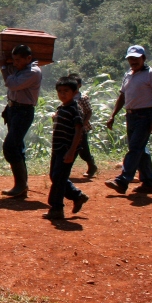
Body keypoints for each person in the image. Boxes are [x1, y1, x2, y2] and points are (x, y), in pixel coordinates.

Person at [105, 45, 152, 195]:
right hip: (131, 116)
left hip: (145, 116)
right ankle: (149, 183)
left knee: (135, 148)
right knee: (141, 150)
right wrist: (113, 115)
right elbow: (122, 96)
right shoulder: (128, 74)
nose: (133, 61)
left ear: (143, 58)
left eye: (136, 58)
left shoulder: (150, 74)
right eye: (130, 58)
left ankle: (123, 180)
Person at [0, 44, 43, 197]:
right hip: (13, 110)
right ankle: (21, 186)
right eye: (13, 60)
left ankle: (21, 185)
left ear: (28, 58)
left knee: (10, 147)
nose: (15, 62)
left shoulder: (33, 72)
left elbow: (11, 84)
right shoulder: (20, 70)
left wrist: (3, 67)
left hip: (23, 112)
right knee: (17, 148)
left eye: (18, 60)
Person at [44, 76, 88, 221]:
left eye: (66, 91)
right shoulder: (62, 108)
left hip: (67, 148)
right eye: (60, 91)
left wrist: (71, 151)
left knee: (59, 178)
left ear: (75, 92)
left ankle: (56, 208)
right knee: (56, 176)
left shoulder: (75, 109)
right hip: (58, 148)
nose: (62, 94)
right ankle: (77, 195)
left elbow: (78, 130)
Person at [68, 73, 99, 177]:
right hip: (70, 127)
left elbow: (89, 112)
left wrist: (83, 125)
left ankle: (91, 165)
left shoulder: (82, 97)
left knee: (83, 150)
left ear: (79, 85)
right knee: (72, 148)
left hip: (81, 128)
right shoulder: (67, 97)